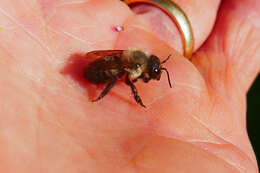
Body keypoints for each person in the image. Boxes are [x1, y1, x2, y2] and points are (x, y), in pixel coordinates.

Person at [0, 0, 259, 172]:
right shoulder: (135, 67)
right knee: (118, 77)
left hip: (106, 62)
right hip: (99, 72)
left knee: (120, 74)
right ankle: (102, 96)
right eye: (155, 72)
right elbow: (131, 80)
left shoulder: (135, 57)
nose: (154, 76)